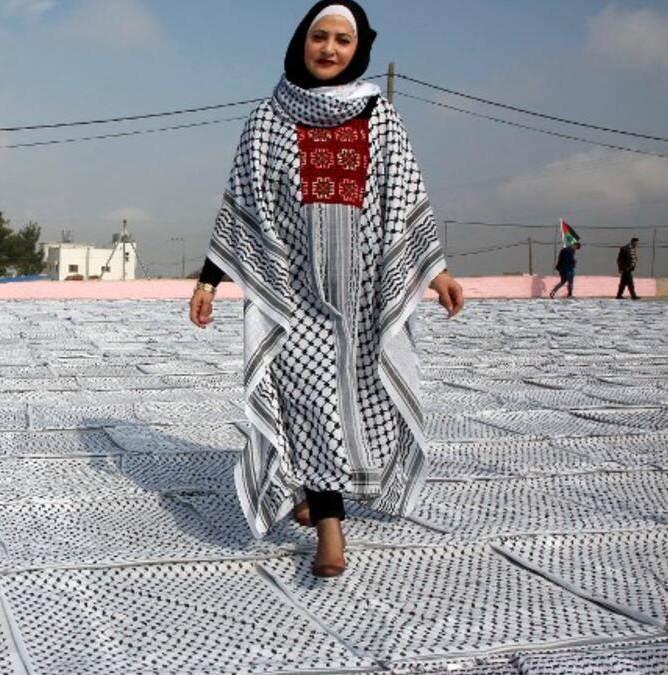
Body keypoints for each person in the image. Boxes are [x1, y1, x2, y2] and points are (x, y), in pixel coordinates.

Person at [189, 0, 464, 578]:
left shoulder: (379, 116)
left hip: (366, 296)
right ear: (301, 40)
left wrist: (434, 271)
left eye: (343, 39)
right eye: (320, 36)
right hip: (296, 296)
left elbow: (406, 194)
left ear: (358, 47)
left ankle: (318, 493)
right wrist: (210, 281)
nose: (330, 49)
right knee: (311, 401)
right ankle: (331, 534)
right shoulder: (267, 120)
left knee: (361, 403)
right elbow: (239, 206)